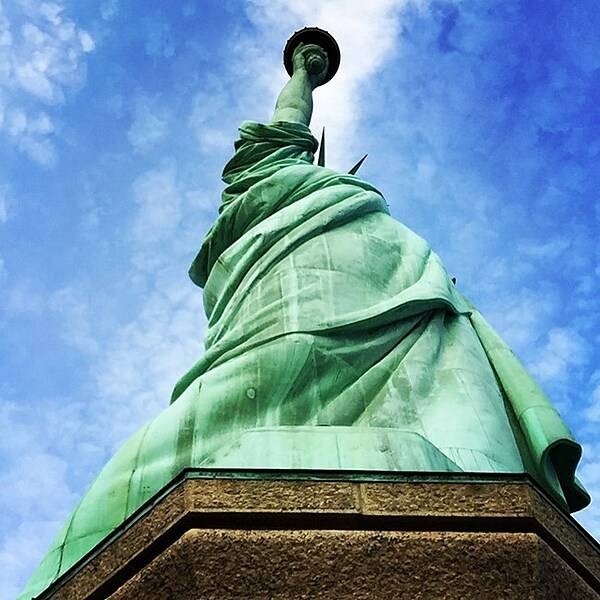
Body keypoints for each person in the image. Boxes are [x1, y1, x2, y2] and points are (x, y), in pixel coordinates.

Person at [19, 37, 589, 600]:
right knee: (226, 406)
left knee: (450, 391)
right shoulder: (262, 190)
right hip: (281, 302)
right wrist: (303, 73)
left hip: (392, 277)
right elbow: (287, 117)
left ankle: (470, 469)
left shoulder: (343, 199)